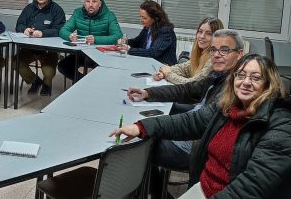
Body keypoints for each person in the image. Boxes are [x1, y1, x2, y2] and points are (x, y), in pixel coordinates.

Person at [114, 54, 291, 199]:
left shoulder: (281, 125)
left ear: (269, 85)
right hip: (205, 188)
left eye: (256, 78)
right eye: (241, 75)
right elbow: (190, 122)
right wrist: (142, 127)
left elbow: (252, 187)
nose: (246, 82)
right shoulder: (228, 106)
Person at [126, 29, 244, 198]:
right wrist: (148, 93)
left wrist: (144, 127)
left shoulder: (234, 86)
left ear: (239, 54)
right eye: (214, 50)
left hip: (195, 147)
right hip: (191, 133)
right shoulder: (218, 75)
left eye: (224, 50)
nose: (217, 55)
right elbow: (187, 89)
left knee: (138, 147)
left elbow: (197, 121)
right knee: (146, 135)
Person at [57, 0, 122, 82]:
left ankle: (93, 85)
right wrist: (70, 36)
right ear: (84, 3)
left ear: (100, 3)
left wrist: (96, 39)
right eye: (87, 1)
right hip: (81, 52)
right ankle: (84, 81)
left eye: (94, 1)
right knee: (63, 66)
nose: (90, 5)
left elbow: (118, 36)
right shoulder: (77, 13)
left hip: (101, 53)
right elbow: (63, 30)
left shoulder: (109, 15)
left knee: (102, 72)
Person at [14, 0, 66, 96]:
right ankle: (35, 81)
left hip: (48, 50)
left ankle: (47, 84)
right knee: (15, 62)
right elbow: (19, 25)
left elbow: (61, 29)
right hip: (29, 48)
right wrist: (25, 29)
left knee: (49, 72)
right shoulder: (28, 8)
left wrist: (43, 33)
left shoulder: (57, 9)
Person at [154, 17, 224, 84]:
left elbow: (193, 84)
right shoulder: (201, 53)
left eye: (209, 33)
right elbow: (184, 69)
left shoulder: (214, 59)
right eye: (200, 32)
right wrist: (164, 72)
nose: (202, 36)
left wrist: (168, 74)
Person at [118, 0, 177, 65]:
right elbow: (137, 42)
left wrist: (129, 49)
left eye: (144, 18)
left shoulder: (165, 31)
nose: (141, 20)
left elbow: (153, 52)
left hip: (164, 68)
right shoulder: (148, 27)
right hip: (148, 63)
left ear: (155, 18)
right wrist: (125, 42)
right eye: (140, 17)